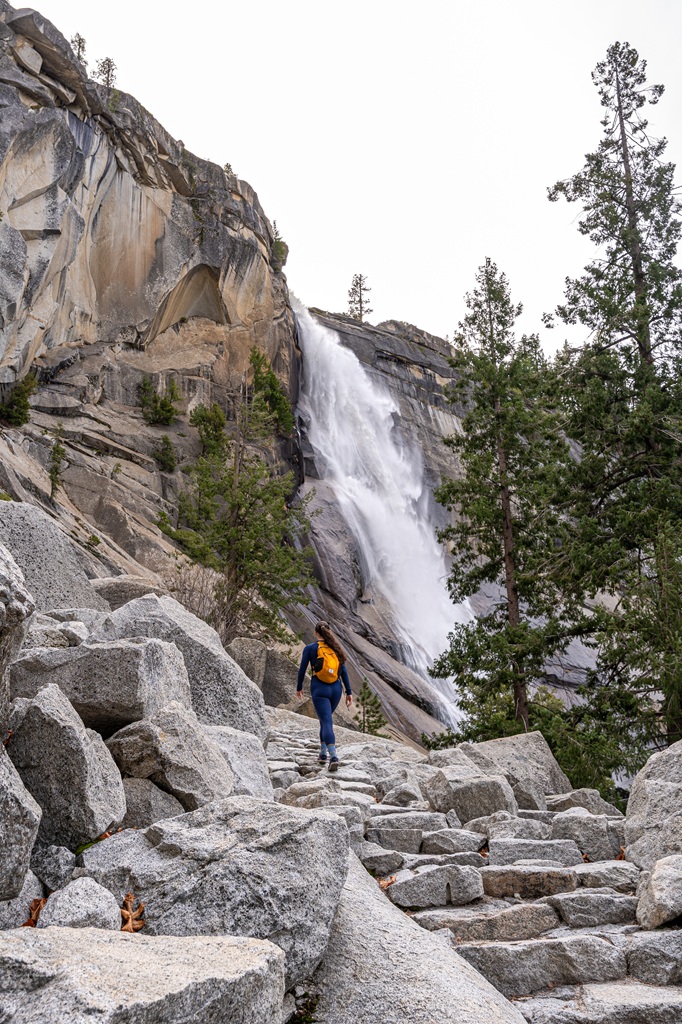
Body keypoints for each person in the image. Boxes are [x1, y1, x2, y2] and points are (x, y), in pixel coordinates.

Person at [297, 621, 353, 771]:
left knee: (326, 721)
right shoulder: (336, 649)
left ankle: (333, 756)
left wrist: (299, 687)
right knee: (325, 719)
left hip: (319, 688)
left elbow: (302, 669)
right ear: (329, 632)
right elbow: (344, 672)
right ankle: (322, 752)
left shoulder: (310, 648)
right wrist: (349, 692)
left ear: (316, 633)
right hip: (335, 689)